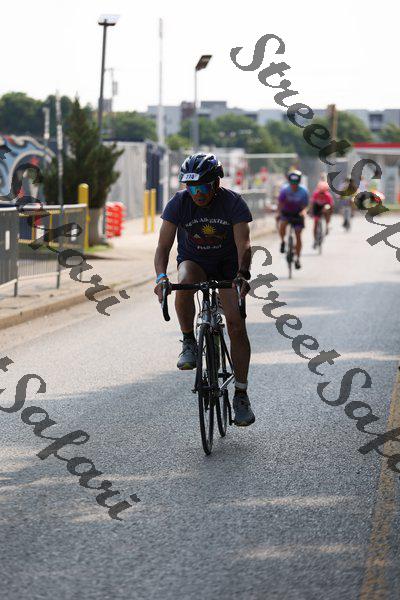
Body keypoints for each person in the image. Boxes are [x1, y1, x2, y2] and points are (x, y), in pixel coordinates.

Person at [153, 153, 255, 427]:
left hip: (227, 268)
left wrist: (242, 275)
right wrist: (161, 277)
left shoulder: (233, 203)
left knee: (236, 326)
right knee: (184, 278)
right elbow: (163, 247)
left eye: (202, 187)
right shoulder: (179, 202)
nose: (196, 193)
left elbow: (244, 245)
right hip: (195, 262)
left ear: (216, 183)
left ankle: (241, 394)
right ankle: (188, 340)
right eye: (191, 187)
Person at [278, 170, 309, 269]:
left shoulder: (304, 191)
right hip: (286, 212)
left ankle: (298, 258)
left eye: (296, 183)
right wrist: (278, 213)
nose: (294, 185)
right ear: (289, 182)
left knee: (298, 235)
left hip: (298, 213)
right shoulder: (284, 190)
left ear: (299, 182)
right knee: (282, 224)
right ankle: (283, 241)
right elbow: (280, 203)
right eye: (292, 183)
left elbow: (305, 205)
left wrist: (303, 212)